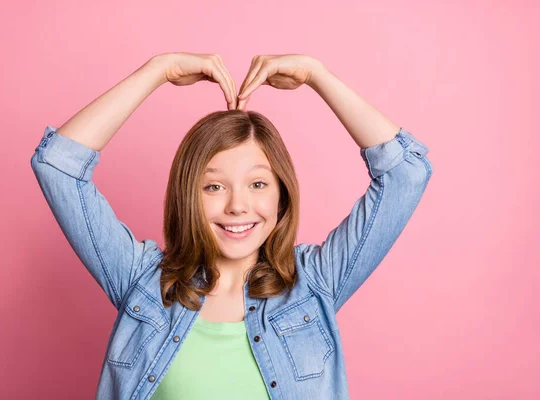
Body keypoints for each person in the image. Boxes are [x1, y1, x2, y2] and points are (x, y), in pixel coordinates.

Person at [30, 52, 433, 400]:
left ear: (281, 195)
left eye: (257, 184)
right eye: (214, 186)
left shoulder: (314, 283)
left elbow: (406, 173)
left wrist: (317, 75)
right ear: (189, 193)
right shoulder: (143, 283)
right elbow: (59, 166)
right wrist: (158, 70)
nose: (238, 206)